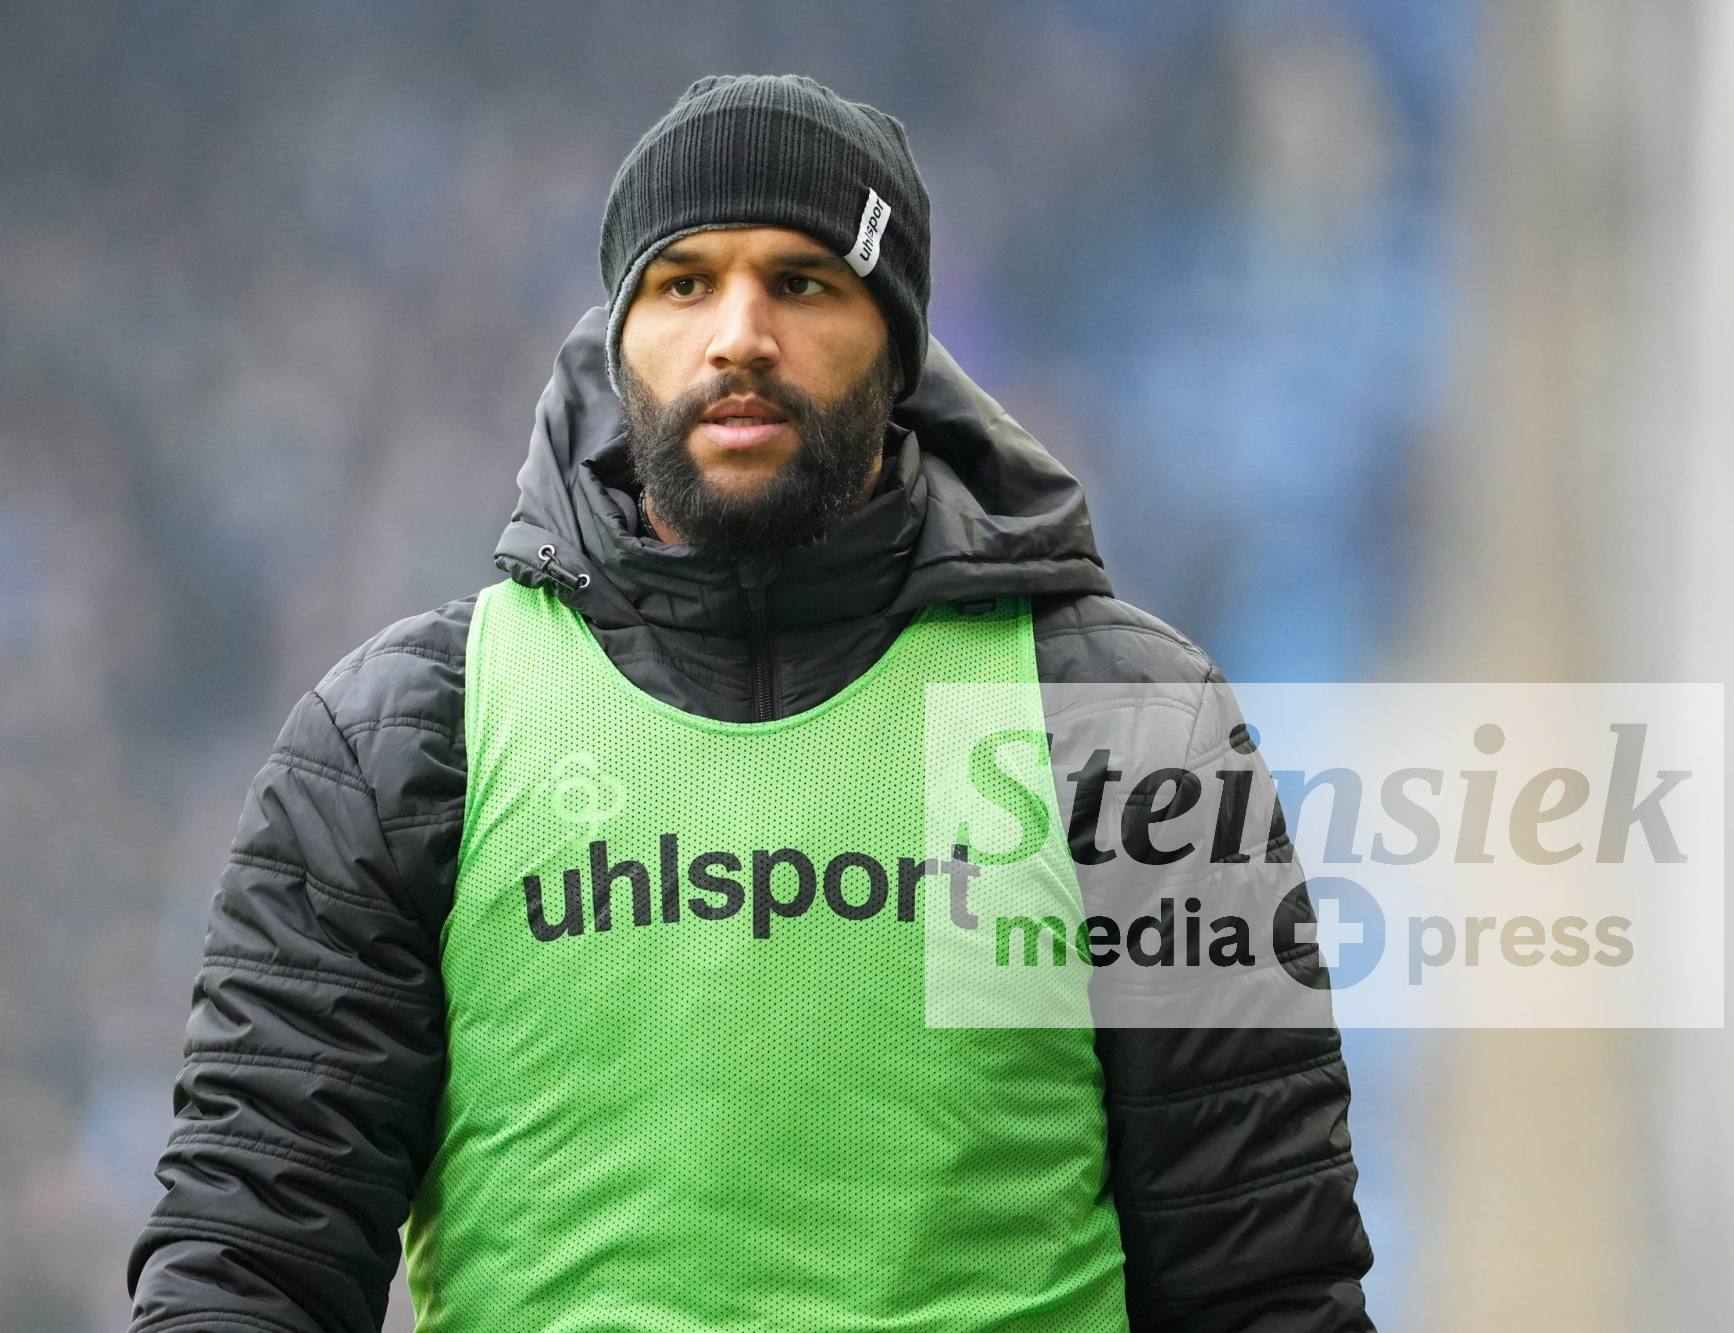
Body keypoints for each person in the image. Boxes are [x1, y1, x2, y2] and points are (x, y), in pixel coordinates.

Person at [128, 73, 1373, 1332]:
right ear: (618, 337)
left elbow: (1264, 1287)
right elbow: (247, 1270)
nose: (738, 335)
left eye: (802, 281)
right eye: (683, 283)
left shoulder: (1121, 724)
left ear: (897, 344)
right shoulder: (399, 742)